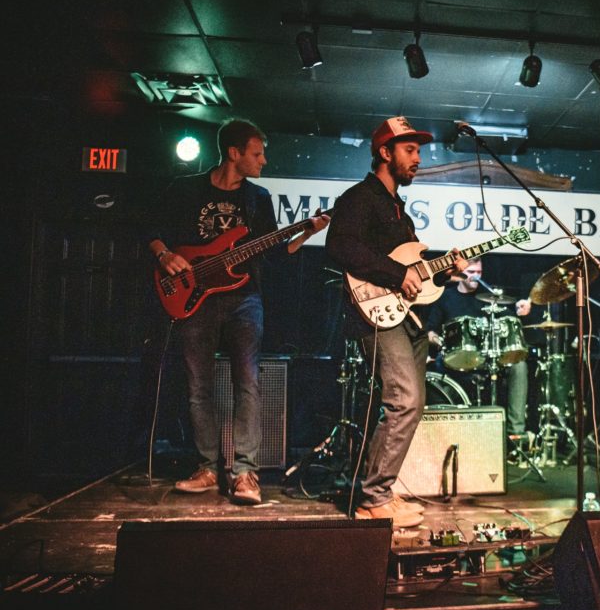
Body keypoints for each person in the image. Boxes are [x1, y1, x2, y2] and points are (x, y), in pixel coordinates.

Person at [150, 118, 328, 505]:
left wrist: (307, 233)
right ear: (234, 153)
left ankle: (245, 473)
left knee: (248, 384)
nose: (263, 161)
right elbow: (149, 227)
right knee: (199, 387)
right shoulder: (185, 189)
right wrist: (165, 256)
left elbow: (276, 254)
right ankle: (207, 468)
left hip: (244, 298)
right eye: (257, 153)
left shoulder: (257, 199)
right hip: (194, 299)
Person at [326, 116, 467, 528]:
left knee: (411, 403)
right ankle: (372, 500)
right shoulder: (359, 198)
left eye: (419, 151)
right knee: (404, 400)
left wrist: (445, 271)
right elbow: (339, 247)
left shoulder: (397, 210)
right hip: (376, 314)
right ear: (385, 152)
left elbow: (413, 273)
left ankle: (380, 491)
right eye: (410, 150)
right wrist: (394, 273)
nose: (418, 158)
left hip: (406, 315)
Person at [425, 258, 532, 442]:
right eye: (471, 272)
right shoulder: (446, 297)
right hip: (454, 357)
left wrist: (519, 310)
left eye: (479, 272)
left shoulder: (490, 297)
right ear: (461, 272)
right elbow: (429, 331)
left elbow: (509, 319)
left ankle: (516, 434)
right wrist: (439, 341)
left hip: (488, 357)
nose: (476, 276)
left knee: (519, 365)